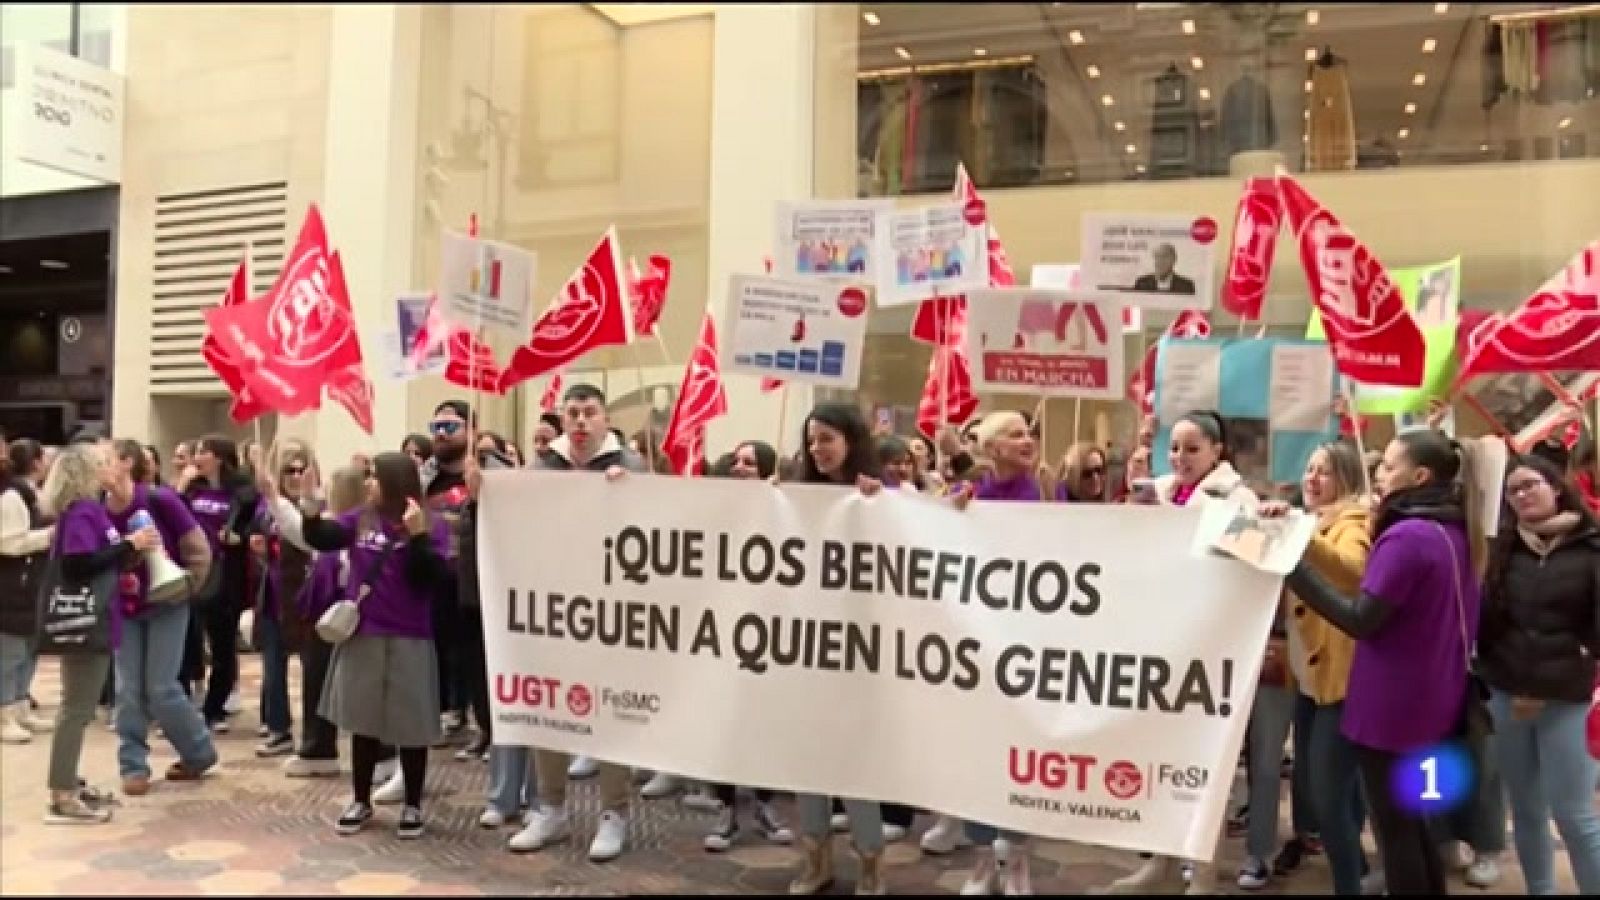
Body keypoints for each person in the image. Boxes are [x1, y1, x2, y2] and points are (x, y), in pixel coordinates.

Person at [1281, 428, 1487, 895]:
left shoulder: (1406, 537)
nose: (1378, 472)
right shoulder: (1455, 531)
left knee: (1397, 837)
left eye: (1389, 466)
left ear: (1419, 475)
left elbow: (1361, 620)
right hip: (1434, 701)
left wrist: (1292, 566)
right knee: (1415, 828)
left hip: (1390, 709)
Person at [1102, 410, 1257, 895]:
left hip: (1211, 643)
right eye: (1176, 448)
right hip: (1160, 638)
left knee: (1204, 763)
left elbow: (1244, 556)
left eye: (1193, 449)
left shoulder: (1240, 497)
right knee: (1158, 755)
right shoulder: (1162, 489)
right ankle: (1159, 862)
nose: (1181, 458)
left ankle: (1203, 872)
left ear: (1217, 452)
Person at [510, 384, 648, 863]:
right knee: (545, 704)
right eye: (574, 413)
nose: (582, 422)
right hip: (552, 610)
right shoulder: (543, 466)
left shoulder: (630, 465)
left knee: (610, 711)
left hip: (609, 612)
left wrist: (631, 495)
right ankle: (550, 807)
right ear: (563, 419)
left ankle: (613, 812)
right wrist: (485, 489)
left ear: (606, 419)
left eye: (590, 413)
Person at [303, 452, 453, 839]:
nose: (368, 483)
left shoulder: (430, 524)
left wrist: (417, 536)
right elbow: (322, 536)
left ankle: (413, 805)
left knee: (411, 725)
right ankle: (360, 799)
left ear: (394, 481)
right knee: (363, 721)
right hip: (365, 632)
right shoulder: (360, 519)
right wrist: (309, 509)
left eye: (374, 477)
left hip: (411, 635)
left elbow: (431, 579)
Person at [1250, 442, 1371, 895]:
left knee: (1328, 794)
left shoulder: (1354, 521)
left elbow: (1353, 567)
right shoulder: (1313, 520)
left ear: (1346, 479)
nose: (1312, 479)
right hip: (1307, 675)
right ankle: (1356, 870)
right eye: (1310, 469)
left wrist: (1299, 533)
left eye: (1325, 472)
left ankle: (1349, 884)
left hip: (1337, 680)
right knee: (1330, 785)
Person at [1478, 454, 1600, 895]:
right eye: (1513, 491)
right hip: (1507, 694)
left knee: (1574, 814)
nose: (1523, 495)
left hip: (1566, 697)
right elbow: (1487, 622)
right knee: (1525, 809)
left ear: (1556, 488)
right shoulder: (1504, 550)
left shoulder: (1591, 547)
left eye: (1531, 485)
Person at [788, 402, 888, 896]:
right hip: (805, 651)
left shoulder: (879, 497)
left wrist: (882, 502)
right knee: (808, 756)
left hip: (860, 654)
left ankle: (870, 861)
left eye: (826, 438)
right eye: (811, 440)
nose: (817, 449)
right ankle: (815, 860)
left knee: (856, 761)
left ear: (850, 440)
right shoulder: (795, 498)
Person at [946, 410, 1049, 893]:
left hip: (1027, 647)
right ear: (990, 449)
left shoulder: (1047, 489)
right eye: (1013, 435)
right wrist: (951, 511)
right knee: (975, 755)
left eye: (1028, 433)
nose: (1026, 440)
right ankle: (983, 857)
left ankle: (1019, 858)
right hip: (976, 647)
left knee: (1020, 755)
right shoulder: (971, 496)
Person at [42, 442, 160, 823]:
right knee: (76, 708)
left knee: (80, 705)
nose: (108, 468)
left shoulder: (91, 512)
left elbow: (103, 557)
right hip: (83, 621)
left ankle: (68, 781)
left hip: (99, 617)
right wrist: (127, 544)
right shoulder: (81, 513)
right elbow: (78, 566)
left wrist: (132, 550)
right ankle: (62, 793)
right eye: (100, 463)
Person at [696, 439, 794, 852]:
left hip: (771, 634)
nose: (739, 467)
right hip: (721, 630)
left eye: (749, 463)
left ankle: (764, 804)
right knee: (724, 719)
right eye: (735, 460)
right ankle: (726, 806)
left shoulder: (783, 507)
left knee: (768, 721)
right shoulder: (716, 507)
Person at [104, 439, 217, 794]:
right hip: (124, 608)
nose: (97, 468)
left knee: (162, 688)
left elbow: (197, 547)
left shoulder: (159, 499)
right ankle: (133, 766)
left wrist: (189, 585)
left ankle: (198, 753)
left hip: (167, 602)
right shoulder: (97, 509)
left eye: (104, 460)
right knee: (128, 690)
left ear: (125, 463)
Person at [275, 464, 365, 778]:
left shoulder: (358, 528)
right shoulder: (326, 525)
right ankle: (318, 747)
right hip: (323, 619)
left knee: (362, 689)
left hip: (354, 618)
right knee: (316, 681)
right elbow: (293, 526)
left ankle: (380, 754)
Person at [177, 435, 262, 733]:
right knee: (187, 642)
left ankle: (215, 709)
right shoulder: (191, 490)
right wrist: (182, 485)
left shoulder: (242, 493)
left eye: (203, 452)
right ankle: (184, 705)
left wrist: (241, 538)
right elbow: (171, 517)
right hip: (192, 574)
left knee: (222, 646)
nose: (197, 457)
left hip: (226, 577)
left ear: (219, 458)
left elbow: (256, 524)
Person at [1, 439, 52, 743]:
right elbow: (8, 541)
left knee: (29, 647)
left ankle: (20, 706)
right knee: (10, 650)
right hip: (11, 581)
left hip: (31, 580)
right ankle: (5, 711)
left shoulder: (28, 492)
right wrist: (50, 535)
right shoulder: (11, 495)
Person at [1131, 243, 1196, 294]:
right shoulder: (1142, 283)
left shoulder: (1186, 286)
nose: (1160, 261)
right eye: (1157, 257)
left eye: (1164, 257)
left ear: (1174, 259)